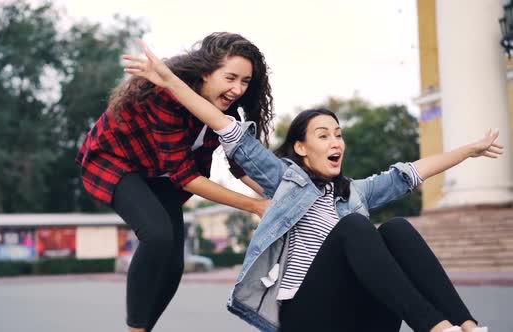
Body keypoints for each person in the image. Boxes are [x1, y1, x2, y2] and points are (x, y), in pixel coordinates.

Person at [122, 41, 499, 332]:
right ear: (301, 148)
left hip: (353, 312)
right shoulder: (286, 180)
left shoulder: (357, 192)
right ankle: (435, 327)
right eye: (323, 135)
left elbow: (411, 172)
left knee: (397, 228)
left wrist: (467, 150)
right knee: (354, 227)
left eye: (339, 134)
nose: (336, 142)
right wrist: (170, 80)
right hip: (304, 314)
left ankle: (464, 325)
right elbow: (224, 126)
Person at [75, 32, 273, 332]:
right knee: (157, 236)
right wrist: (255, 205)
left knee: (173, 266)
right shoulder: (165, 96)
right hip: (114, 161)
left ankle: (144, 328)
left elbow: (241, 164)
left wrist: (280, 194)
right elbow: (185, 176)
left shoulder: (226, 112)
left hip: (160, 174)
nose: (237, 89)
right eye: (230, 77)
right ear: (206, 71)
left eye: (245, 82)